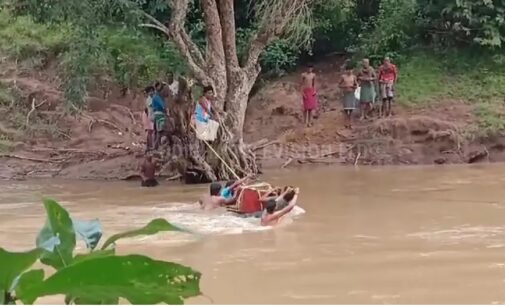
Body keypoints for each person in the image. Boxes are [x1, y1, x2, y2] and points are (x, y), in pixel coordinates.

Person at [152, 82, 167, 149]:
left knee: (156, 131)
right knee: (160, 131)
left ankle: (155, 145)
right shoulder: (157, 96)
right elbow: (163, 106)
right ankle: (156, 146)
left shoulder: (156, 96)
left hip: (156, 113)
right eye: (161, 87)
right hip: (159, 114)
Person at [143, 86, 155, 151]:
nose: (151, 92)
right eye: (150, 91)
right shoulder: (149, 99)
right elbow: (148, 109)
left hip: (151, 116)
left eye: (152, 91)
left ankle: (150, 146)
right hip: (148, 116)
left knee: (152, 132)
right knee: (150, 131)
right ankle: (149, 147)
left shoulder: (153, 98)